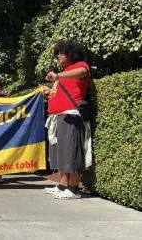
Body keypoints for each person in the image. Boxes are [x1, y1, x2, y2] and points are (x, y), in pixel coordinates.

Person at [44, 40, 92, 200]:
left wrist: (57, 76)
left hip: (72, 116)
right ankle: (63, 185)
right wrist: (50, 91)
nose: (58, 56)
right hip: (59, 117)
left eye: (61, 52)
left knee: (72, 152)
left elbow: (81, 73)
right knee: (62, 153)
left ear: (71, 53)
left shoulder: (80, 66)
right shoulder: (64, 72)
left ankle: (74, 188)